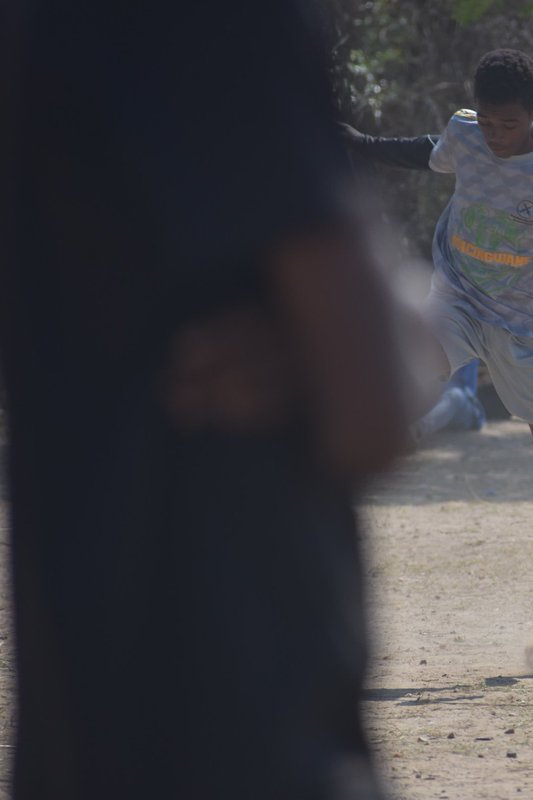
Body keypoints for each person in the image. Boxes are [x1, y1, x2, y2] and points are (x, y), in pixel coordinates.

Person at [1, 2, 426, 797]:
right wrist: (346, 329)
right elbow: (374, 406)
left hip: (79, 720)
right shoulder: (216, 22)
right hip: (253, 730)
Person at [340, 49, 533, 558]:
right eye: (486, 122)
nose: (494, 136)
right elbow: (431, 150)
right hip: (456, 298)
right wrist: (361, 144)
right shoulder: (466, 133)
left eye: (507, 124)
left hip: (527, 326)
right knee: (398, 369)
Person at [412, 359, 487, 443]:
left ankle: (416, 431)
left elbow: (456, 382)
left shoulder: (465, 351)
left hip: (465, 410)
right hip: (440, 410)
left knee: (454, 394)